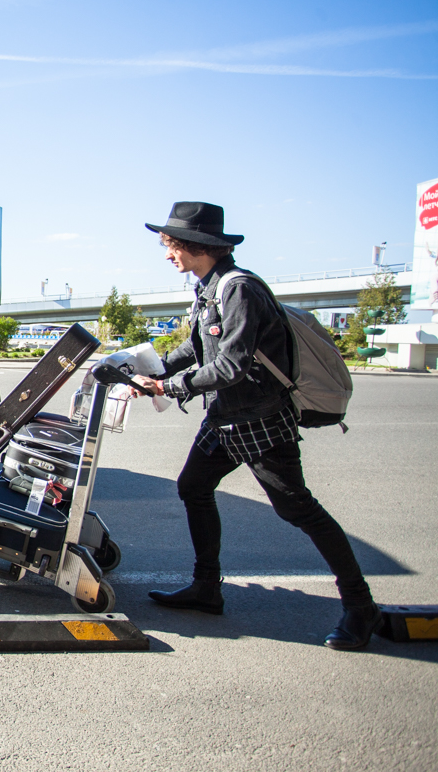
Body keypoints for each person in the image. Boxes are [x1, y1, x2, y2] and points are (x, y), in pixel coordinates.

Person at [130, 201, 381, 651]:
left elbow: (231, 366)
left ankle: (361, 606)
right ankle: (206, 588)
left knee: (298, 509)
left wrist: (168, 388)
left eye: (171, 245)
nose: (168, 254)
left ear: (196, 245)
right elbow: (196, 348)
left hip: (259, 420)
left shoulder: (239, 289)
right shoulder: (208, 288)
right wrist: (148, 371)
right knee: (193, 486)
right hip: (225, 419)